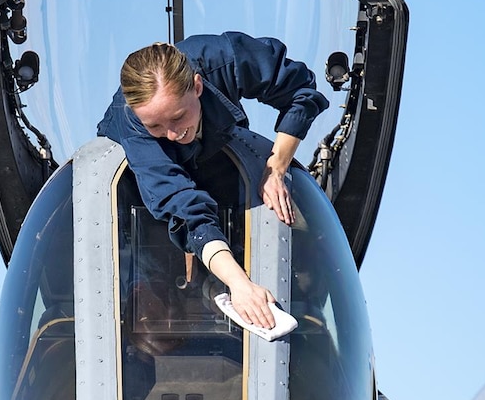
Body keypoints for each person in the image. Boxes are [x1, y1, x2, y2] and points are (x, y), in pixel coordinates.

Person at [98, 32, 329, 330]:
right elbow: (183, 209)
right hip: (147, 196)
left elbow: (300, 90)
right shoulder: (133, 129)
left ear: (197, 86)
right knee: (154, 274)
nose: (172, 134)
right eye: (155, 125)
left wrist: (276, 168)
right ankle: (210, 289)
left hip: (219, 157)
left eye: (178, 117)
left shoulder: (225, 59)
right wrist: (240, 285)